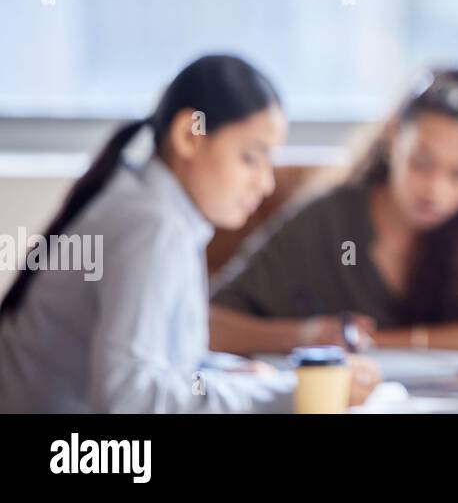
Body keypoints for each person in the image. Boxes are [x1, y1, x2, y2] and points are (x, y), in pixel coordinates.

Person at [0, 54, 377, 412]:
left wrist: (231, 377)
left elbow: (164, 365)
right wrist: (293, 394)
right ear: (189, 136)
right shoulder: (152, 226)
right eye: (250, 157)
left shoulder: (161, 210)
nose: (265, 183)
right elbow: (127, 398)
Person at [209, 68, 458, 354]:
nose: (435, 190)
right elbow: (209, 324)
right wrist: (306, 336)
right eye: (422, 163)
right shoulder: (326, 222)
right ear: (394, 136)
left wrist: (374, 344)